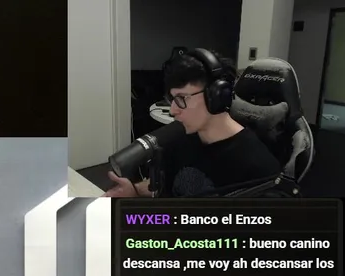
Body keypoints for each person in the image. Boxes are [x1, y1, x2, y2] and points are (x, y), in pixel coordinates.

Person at [105, 50, 281, 198]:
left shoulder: (258, 167)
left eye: (182, 98)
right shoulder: (180, 140)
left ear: (217, 96)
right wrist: (134, 190)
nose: (173, 110)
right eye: (172, 99)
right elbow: (164, 185)